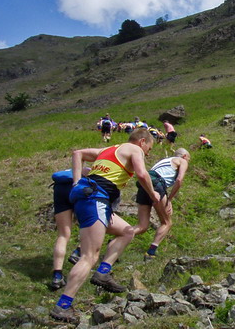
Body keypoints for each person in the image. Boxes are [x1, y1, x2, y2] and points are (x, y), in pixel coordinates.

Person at [50, 129, 160, 324]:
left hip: (88, 197)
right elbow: (142, 174)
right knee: (89, 256)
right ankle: (63, 306)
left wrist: (76, 182)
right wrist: (153, 195)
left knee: (126, 231)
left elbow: (78, 154)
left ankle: (103, 273)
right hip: (96, 199)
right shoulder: (135, 150)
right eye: (149, 148)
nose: (148, 153)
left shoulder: (109, 149)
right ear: (142, 141)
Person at [134, 148, 190, 260]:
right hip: (157, 184)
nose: (188, 162)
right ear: (184, 156)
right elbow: (179, 180)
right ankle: (151, 253)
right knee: (167, 222)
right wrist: (169, 199)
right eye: (189, 159)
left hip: (145, 184)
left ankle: (119, 238)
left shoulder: (164, 161)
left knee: (142, 226)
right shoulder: (182, 161)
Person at [49, 167, 89, 290]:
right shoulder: (90, 169)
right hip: (77, 189)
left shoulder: (67, 172)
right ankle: (78, 251)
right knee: (88, 226)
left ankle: (57, 275)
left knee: (63, 234)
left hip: (60, 189)